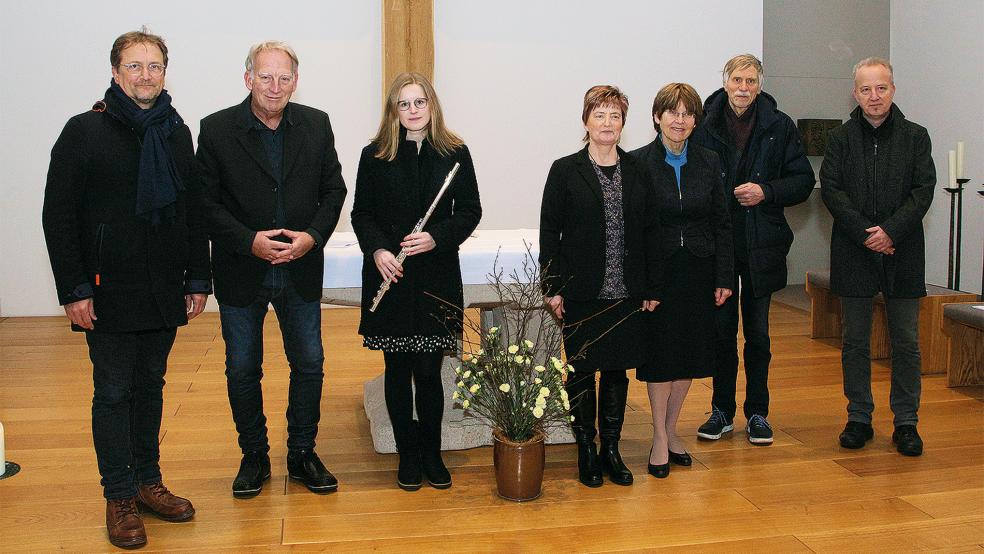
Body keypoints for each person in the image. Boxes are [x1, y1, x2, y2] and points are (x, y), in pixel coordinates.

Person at [42, 28, 210, 549]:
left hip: (162, 289)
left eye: (154, 66)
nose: (145, 75)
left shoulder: (176, 131)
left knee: (151, 387)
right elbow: (59, 216)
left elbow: (191, 212)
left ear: (165, 72)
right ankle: (117, 494)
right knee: (113, 392)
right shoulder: (83, 132)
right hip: (105, 290)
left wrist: (197, 277)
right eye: (134, 66)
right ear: (116, 73)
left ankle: (146, 482)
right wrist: (74, 289)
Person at [197, 41, 347, 497]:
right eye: (265, 77)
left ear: (295, 82)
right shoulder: (217, 129)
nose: (275, 86)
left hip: (300, 266)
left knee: (310, 364)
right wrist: (250, 242)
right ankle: (254, 455)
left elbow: (334, 191)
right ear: (248, 79)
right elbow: (204, 203)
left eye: (284, 78)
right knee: (243, 368)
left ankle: (302, 452)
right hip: (244, 269)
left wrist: (312, 237)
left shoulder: (316, 125)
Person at [351, 72, 482, 491]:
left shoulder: (455, 153)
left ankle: (431, 450)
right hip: (391, 272)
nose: (412, 110)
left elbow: (470, 211)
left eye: (419, 102)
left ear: (432, 105)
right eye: (404, 104)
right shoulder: (374, 155)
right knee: (397, 367)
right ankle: (407, 453)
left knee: (428, 371)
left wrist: (436, 237)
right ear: (393, 110)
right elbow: (362, 214)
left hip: (436, 275)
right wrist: (379, 250)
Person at [540, 85, 661, 488]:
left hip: (625, 291)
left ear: (623, 124)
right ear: (585, 121)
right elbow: (549, 233)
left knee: (616, 370)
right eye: (599, 115)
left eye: (614, 116)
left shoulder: (639, 170)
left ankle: (611, 447)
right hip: (580, 291)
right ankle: (586, 450)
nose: (607, 123)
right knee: (580, 371)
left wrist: (650, 285)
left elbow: (650, 232)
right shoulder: (564, 169)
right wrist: (552, 286)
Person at [690, 54, 815, 445]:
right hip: (718, 247)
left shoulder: (780, 126)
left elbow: (803, 181)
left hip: (762, 244)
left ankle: (758, 413)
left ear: (760, 85)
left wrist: (767, 191)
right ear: (725, 82)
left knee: (758, 336)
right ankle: (721, 411)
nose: (743, 87)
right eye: (737, 80)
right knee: (721, 335)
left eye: (750, 81)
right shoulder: (703, 123)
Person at [820, 57, 935, 456]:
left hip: (902, 250)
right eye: (866, 89)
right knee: (854, 341)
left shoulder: (916, 136)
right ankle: (859, 417)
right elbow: (831, 190)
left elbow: (923, 190)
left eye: (881, 88)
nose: (874, 96)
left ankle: (906, 422)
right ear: (855, 93)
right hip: (854, 250)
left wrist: (890, 232)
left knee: (906, 341)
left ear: (893, 90)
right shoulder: (839, 138)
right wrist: (868, 234)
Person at [631, 83, 732, 478]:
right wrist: (643, 283)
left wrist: (724, 274)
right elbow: (635, 230)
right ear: (657, 116)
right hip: (658, 276)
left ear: (695, 121)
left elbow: (722, 223)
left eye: (688, 113)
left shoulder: (709, 161)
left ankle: (673, 431)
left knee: (689, 354)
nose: (680, 120)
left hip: (699, 270)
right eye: (672, 112)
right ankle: (658, 436)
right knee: (660, 356)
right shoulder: (637, 162)